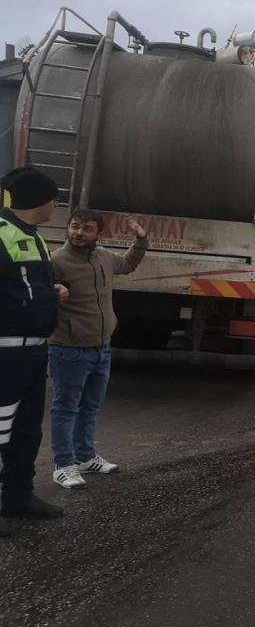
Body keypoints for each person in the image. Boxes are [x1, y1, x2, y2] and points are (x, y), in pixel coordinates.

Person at [48, 209, 147, 489]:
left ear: (98, 233)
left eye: (86, 229)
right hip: (68, 348)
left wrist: (141, 240)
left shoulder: (103, 257)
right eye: (75, 227)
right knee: (65, 408)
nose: (78, 233)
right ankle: (63, 465)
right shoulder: (56, 260)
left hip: (101, 348)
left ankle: (85, 457)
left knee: (90, 407)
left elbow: (128, 264)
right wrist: (54, 290)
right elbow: (40, 289)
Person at [0, 167, 67, 528]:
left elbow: (27, 284)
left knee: (26, 430)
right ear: (42, 200)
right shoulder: (1, 233)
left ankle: (18, 496)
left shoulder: (35, 236)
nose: (56, 205)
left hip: (34, 350)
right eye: (54, 199)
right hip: (5, 351)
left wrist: (51, 294)